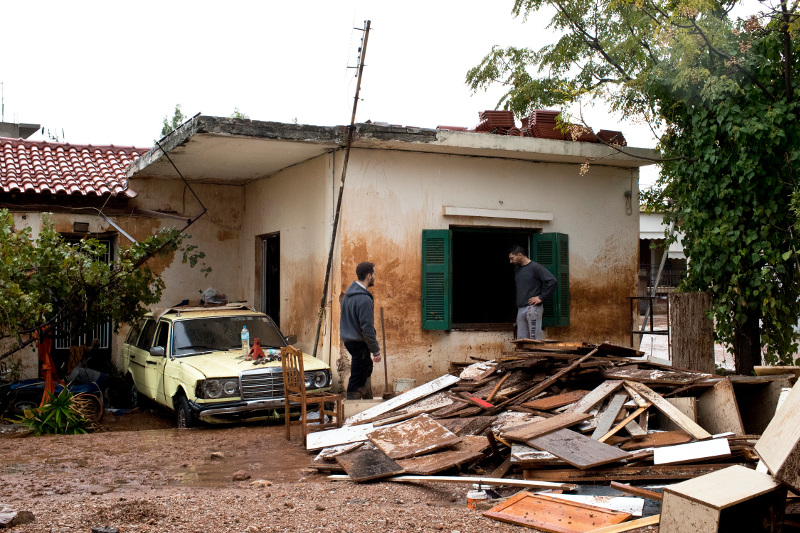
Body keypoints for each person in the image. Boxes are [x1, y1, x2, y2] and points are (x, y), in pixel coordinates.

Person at [340, 262, 381, 400]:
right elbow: (367, 329)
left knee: (366, 369)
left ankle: (366, 400)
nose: (375, 277)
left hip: (349, 341)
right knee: (357, 379)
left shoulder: (348, 296)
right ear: (369, 276)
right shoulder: (364, 299)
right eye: (374, 274)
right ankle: (352, 410)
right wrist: (375, 350)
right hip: (359, 343)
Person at [508, 245, 557, 340]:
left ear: (519, 255)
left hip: (532, 308)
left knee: (534, 339)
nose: (510, 261)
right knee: (521, 340)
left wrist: (541, 298)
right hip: (521, 308)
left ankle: (537, 355)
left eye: (512, 258)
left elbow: (552, 281)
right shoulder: (517, 269)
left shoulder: (536, 267)